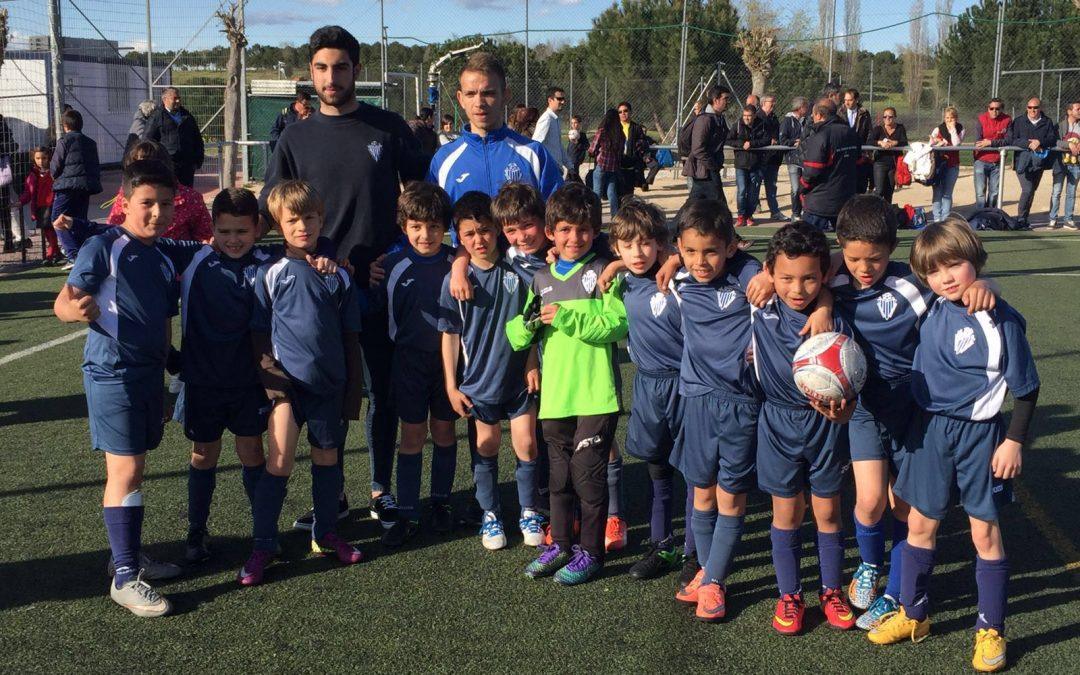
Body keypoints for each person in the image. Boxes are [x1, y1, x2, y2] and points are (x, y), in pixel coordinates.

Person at [261, 25, 427, 534]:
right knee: (319, 395)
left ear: (357, 69)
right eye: (321, 68)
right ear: (310, 72)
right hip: (318, 292)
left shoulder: (388, 127)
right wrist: (306, 255)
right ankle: (331, 496)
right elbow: (273, 208)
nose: (330, 77)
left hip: (379, 286)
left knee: (383, 394)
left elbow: (420, 201)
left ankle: (381, 490)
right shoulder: (294, 135)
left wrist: (395, 256)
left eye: (340, 67)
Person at [869, 219, 1040, 674]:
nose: (945, 277)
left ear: (975, 262)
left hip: (980, 435)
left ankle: (991, 630)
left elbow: (1026, 388)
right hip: (928, 431)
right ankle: (914, 614)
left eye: (956, 265)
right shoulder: (928, 304)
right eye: (934, 271)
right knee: (919, 525)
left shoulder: (999, 317)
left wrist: (1014, 441)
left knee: (984, 532)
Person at [826, 196, 995, 630]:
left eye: (876, 259)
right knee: (867, 500)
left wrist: (986, 287)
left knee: (904, 505)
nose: (864, 268)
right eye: (854, 258)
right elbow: (791, 272)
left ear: (892, 250)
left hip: (913, 408)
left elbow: (956, 291)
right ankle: (868, 566)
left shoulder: (912, 285)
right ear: (840, 247)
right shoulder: (833, 277)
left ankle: (894, 592)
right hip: (864, 405)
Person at [52, 159, 184, 617]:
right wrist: (76, 312)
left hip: (148, 376)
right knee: (124, 470)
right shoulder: (104, 246)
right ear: (125, 202)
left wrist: (171, 372)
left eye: (165, 204)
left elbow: (162, 322)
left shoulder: (164, 255)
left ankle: (124, 555)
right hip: (113, 374)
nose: (157, 213)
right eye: (147, 203)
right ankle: (126, 578)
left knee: (136, 468)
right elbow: (63, 302)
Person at [245, 179, 365, 586]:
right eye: (292, 219)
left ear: (321, 220)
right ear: (279, 222)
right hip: (288, 390)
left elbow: (351, 338)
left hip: (328, 387)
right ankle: (263, 545)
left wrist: (351, 393)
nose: (302, 226)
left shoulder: (338, 276)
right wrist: (273, 382)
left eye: (309, 218)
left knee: (327, 460)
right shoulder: (271, 273)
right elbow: (259, 332)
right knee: (279, 462)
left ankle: (327, 533)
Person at [508, 182, 628, 586]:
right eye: (564, 230)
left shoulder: (603, 272)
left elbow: (616, 324)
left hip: (596, 394)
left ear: (595, 231)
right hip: (555, 397)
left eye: (582, 230)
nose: (574, 238)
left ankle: (591, 552)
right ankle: (560, 544)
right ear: (550, 233)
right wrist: (527, 325)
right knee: (557, 478)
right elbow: (516, 334)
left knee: (587, 476)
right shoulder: (540, 277)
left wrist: (566, 318)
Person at [752, 222, 858, 635]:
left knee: (828, 512)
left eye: (810, 278)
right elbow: (727, 260)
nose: (798, 288)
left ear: (825, 275)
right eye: (786, 278)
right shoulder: (759, 304)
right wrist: (763, 276)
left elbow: (850, 380)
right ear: (770, 272)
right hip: (777, 422)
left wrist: (826, 305)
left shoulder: (836, 319)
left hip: (825, 425)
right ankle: (790, 593)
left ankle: (831, 590)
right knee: (787, 513)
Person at [667, 199, 761, 622]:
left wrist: (764, 276)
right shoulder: (679, 279)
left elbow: (792, 268)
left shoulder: (748, 277)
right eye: (690, 251)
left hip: (741, 404)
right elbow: (621, 250)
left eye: (710, 251)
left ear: (729, 247)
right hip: (697, 401)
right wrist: (670, 259)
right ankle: (710, 573)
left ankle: (715, 582)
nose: (700, 261)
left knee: (731, 497)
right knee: (701, 493)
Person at [437, 191, 543, 550]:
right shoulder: (456, 280)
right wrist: (452, 385)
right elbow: (450, 335)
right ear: (459, 238)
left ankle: (529, 510)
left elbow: (533, 323)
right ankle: (491, 514)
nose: (478, 239)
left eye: (484, 230)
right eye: (469, 234)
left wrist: (531, 362)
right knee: (486, 445)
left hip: (518, 380)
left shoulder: (520, 270)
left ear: (497, 229)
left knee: (527, 444)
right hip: (479, 383)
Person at [368, 182, 457, 546]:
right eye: (417, 226)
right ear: (403, 225)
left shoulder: (457, 262)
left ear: (445, 227)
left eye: (434, 226)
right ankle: (406, 511)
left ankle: (440, 502)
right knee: (412, 436)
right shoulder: (390, 266)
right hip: (407, 363)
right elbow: (379, 316)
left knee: (446, 432)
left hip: (449, 364)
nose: (425, 234)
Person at [606, 199, 686, 581]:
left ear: (659, 242)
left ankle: (700, 550)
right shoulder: (622, 282)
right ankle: (662, 543)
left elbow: (706, 254)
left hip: (688, 385)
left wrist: (675, 259)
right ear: (617, 247)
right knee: (657, 465)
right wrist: (617, 265)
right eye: (627, 245)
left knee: (697, 470)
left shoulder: (680, 276)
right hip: (649, 385)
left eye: (645, 243)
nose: (637, 252)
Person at [428, 52, 562, 205]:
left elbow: (559, 220)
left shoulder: (534, 154)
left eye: (488, 93)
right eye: (470, 94)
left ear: (505, 95)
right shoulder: (443, 160)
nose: (479, 102)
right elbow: (428, 221)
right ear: (461, 99)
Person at [106, 140, 213, 242]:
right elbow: (113, 228)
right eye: (137, 166)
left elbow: (205, 236)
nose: (157, 213)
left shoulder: (190, 198)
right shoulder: (126, 194)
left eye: (165, 203)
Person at [51, 109, 102, 269]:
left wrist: (55, 175)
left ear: (65, 125)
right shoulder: (90, 142)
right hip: (86, 186)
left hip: (67, 186)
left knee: (57, 219)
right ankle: (86, 253)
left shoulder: (64, 141)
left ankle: (73, 255)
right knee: (79, 221)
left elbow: (55, 166)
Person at [799, 98, 859, 231]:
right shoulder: (850, 132)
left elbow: (812, 170)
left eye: (813, 115)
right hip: (845, 199)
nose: (812, 118)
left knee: (808, 245)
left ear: (819, 115)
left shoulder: (821, 135)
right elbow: (858, 161)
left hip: (820, 203)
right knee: (847, 245)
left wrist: (802, 187)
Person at [1006, 97, 1059, 230]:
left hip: (1038, 163)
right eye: (1030, 107)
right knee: (1027, 189)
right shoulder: (1019, 121)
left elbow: (1052, 139)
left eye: (1035, 108)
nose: (1032, 110)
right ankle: (1021, 219)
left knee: (1032, 191)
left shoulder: (1047, 122)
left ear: (1040, 108)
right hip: (1023, 163)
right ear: (1026, 108)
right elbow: (1013, 139)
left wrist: (1039, 142)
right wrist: (1028, 143)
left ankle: (1025, 219)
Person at [143, 87, 205, 188]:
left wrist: (198, 160)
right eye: (174, 98)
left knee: (186, 194)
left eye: (179, 98)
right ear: (165, 99)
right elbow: (147, 140)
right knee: (169, 193)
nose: (178, 101)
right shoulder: (157, 117)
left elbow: (197, 139)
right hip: (167, 165)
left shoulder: (187, 116)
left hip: (187, 165)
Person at [683, 85, 732, 207]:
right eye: (725, 98)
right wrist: (712, 166)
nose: (727, 102)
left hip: (707, 171)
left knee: (693, 206)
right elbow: (698, 149)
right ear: (716, 100)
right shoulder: (704, 120)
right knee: (720, 208)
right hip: (705, 172)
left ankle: (674, 226)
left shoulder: (719, 119)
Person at [727, 105, 769, 227]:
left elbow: (766, 140)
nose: (746, 118)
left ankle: (749, 215)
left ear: (754, 116)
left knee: (753, 192)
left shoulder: (761, 125)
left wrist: (752, 144)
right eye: (744, 115)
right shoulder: (738, 125)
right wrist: (741, 144)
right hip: (741, 164)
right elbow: (729, 140)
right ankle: (741, 216)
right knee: (742, 190)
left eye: (749, 116)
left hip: (756, 164)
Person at [20, 147, 60, 263]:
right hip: (40, 206)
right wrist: (21, 201)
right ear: (34, 159)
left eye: (44, 158)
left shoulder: (54, 172)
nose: (41, 161)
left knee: (52, 229)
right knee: (47, 230)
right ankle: (55, 252)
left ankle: (51, 253)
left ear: (49, 158)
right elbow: (28, 192)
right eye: (38, 158)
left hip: (53, 203)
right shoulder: (33, 174)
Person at [972, 98, 1011, 210]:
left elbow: (1009, 140)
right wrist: (997, 143)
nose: (994, 111)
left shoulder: (1007, 120)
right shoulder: (981, 119)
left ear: (1001, 109)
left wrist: (990, 142)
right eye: (991, 108)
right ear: (988, 109)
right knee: (980, 192)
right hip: (981, 160)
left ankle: (991, 216)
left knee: (994, 193)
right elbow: (978, 141)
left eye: (997, 109)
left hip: (997, 161)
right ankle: (980, 216)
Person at [929, 106, 965, 223]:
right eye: (947, 118)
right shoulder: (938, 129)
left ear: (956, 118)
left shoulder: (960, 129)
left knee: (947, 193)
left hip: (952, 165)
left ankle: (945, 220)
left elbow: (956, 144)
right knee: (937, 192)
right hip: (939, 165)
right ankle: (936, 219)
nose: (949, 121)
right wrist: (936, 142)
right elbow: (931, 143)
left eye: (952, 118)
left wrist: (952, 130)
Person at [1049, 100, 1080, 229]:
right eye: (1077, 109)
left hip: (1076, 164)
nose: (1079, 111)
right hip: (1060, 163)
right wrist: (1069, 145)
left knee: (1071, 192)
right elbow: (1054, 141)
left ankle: (1068, 219)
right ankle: (1052, 219)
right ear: (1069, 111)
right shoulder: (1059, 126)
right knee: (1056, 191)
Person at [867, 108, 908, 205]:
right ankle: (875, 210)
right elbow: (869, 141)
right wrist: (880, 142)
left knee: (889, 191)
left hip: (894, 164)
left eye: (890, 117)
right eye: (885, 117)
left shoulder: (900, 128)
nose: (887, 119)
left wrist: (895, 142)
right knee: (879, 190)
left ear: (895, 117)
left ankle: (887, 213)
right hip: (880, 163)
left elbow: (904, 141)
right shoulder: (878, 129)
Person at [589, 108, 625, 217]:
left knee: (597, 194)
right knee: (612, 194)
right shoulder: (620, 133)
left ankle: (595, 218)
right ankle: (614, 218)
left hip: (602, 165)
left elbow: (592, 148)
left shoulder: (602, 131)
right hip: (613, 167)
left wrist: (593, 152)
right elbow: (621, 151)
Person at [758, 95, 789, 222]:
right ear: (763, 103)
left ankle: (774, 211)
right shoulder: (758, 117)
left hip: (773, 158)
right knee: (753, 188)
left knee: (771, 187)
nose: (774, 104)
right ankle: (748, 214)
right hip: (760, 159)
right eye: (771, 102)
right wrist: (767, 140)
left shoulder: (774, 117)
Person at [779, 97, 808, 219]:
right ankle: (796, 213)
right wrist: (793, 142)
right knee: (795, 188)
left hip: (806, 160)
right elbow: (783, 139)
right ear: (800, 107)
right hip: (793, 160)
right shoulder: (787, 121)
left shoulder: (807, 120)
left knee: (806, 187)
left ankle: (806, 212)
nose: (807, 109)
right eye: (805, 106)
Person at [616, 101, 652, 198]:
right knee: (616, 195)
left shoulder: (636, 128)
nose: (623, 113)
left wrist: (638, 149)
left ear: (630, 112)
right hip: (616, 165)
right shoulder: (615, 127)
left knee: (628, 195)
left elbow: (643, 143)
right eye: (620, 112)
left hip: (631, 166)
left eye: (625, 111)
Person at [533, 87, 571, 175]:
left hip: (556, 169)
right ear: (550, 100)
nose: (563, 102)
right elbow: (536, 144)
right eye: (559, 99)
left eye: (563, 99)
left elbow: (559, 145)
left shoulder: (555, 119)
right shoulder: (547, 119)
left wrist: (570, 166)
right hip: (549, 170)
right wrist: (545, 165)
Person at [844, 89, 873, 194]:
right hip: (845, 154)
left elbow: (869, 132)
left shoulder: (864, 113)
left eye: (850, 100)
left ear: (856, 100)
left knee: (860, 185)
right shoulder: (840, 112)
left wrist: (866, 152)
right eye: (845, 100)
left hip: (860, 154)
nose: (846, 102)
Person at [566, 114, 588, 182]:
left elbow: (587, 146)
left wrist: (577, 143)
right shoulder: (571, 133)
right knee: (572, 174)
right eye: (572, 123)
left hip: (576, 158)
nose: (573, 125)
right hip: (570, 157)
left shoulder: (582, 135)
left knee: (573, 174)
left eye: (575, 123)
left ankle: (576, 187)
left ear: (579, 124)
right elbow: (570, 147)